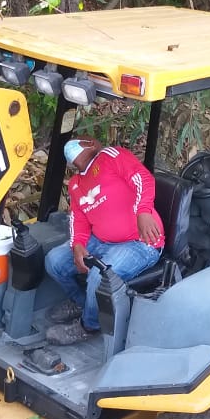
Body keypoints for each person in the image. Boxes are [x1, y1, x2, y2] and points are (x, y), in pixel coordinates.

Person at [45, 137, 164, 345]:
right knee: (54, 261)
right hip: (100, 241)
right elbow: (78, 218)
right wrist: (77, 245)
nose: (71, 149)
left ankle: (89, 326)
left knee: (99, 276)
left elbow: (143, 179)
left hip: (140, 242)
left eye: (79, 143)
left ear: (91, 144)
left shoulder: (110, 156)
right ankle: (82, 304)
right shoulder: (75, 184)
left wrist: (143, 211)